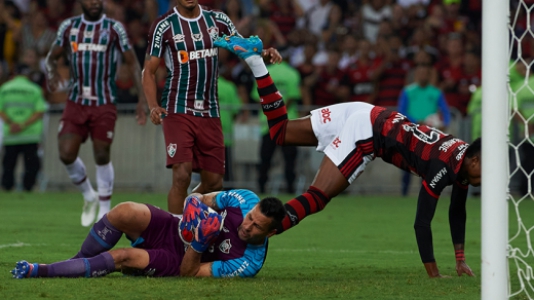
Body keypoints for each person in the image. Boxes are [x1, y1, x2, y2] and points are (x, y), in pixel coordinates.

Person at [215, 35, 482, 278]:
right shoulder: (442, 168)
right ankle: (256, 232)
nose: (486, 178)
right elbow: (422, 222)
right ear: (474, 161)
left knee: (280, 132)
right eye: (486, 170)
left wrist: (460, 260)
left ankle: (254, 61)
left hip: (366, 111)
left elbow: (458, 210)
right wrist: (434, 274)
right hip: (368, 132)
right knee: (317, 197)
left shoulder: (461, 155)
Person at [142, 0, 282, 215]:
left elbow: (242, 46)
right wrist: (153, 105)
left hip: (210, 110)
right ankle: (175, 235)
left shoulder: (218, 19)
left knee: (214, 183)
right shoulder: (164, 25)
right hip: (178, 108)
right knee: (181, 174)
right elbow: (148, 71)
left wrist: (264, 53)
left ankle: (186, 213)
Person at [11, 189, 286, 278]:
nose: (247, 226)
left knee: (121, 256)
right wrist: (193, 202)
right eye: (250, 218)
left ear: (271, 233)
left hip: (175, 258)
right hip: (173, 227)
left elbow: (189, 273)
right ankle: (76, 261)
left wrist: (200, 242)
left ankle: (43, 271)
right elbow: (203, 197)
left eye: (257, 227)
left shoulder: (248, 263)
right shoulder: (245, 199)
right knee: (123, 211)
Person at [45, 0, 147, 227]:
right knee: (66, 154)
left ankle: (104, 209)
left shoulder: (114, 28)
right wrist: (52, 71)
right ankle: (88, 195)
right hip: (76, 100)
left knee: (101, 153)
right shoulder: (69, 27)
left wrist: (142, 98)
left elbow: (132, 62)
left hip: (104, 102)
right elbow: (51, 55)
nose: (94, 2)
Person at [397, 62, 451, 196]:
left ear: (429, 75)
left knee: (426, 164)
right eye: (419, 73)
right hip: (411, 132)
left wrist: (445, 122)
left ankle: (425, 194)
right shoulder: (407, 91)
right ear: (415, 75)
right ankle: (404, 193)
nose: (422, 76)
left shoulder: (436, 92)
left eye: (425, 73)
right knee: (407, 163)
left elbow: (446, 111)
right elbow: (401, 111)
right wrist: (416, 121)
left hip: (429, 134)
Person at [0, 64, 47, 191]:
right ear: (28, 74)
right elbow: (39, 111)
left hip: (11, 133)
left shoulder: (4, 88)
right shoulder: (35, 89)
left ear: (14, 73)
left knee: (9, 163)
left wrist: (12, 123)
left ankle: (7, 187)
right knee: (31, 164)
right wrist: (23, 125)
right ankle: (28, 187)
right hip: (30, 134)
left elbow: (1, 109)